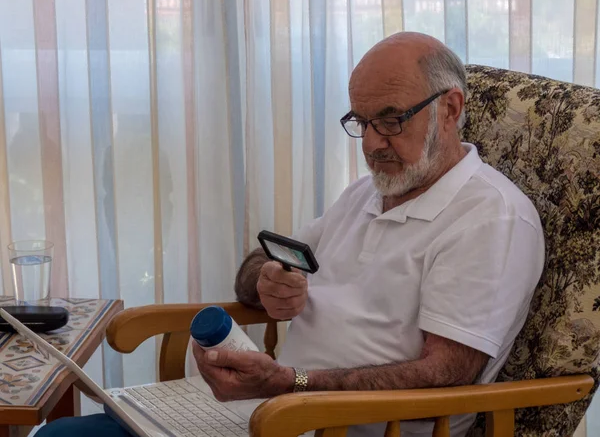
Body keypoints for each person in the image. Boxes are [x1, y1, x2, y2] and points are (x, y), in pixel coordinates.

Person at [36, 32, 544, 437]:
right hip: (280, 412)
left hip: (352, 426)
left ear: (450, 109)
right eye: (360, 121)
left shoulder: (490, 217)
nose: (371, 143)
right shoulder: (369, 193)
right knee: (58, 433)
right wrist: (266, 280)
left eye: (390, 121)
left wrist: (292, 384)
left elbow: (445, 373)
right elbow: (264, 260)